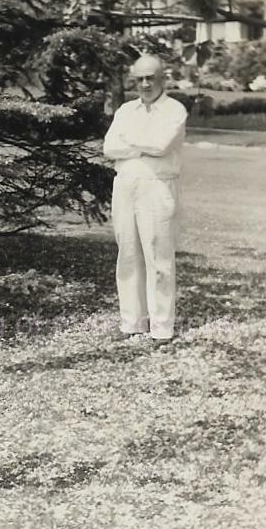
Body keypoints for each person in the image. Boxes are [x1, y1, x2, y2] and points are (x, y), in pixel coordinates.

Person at [103, 54, 187, 345]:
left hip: (158, 187)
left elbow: (161, 145)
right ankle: (132, 322)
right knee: (127, 254)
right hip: (125, 186)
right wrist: (141, 144)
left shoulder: (175, 110)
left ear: (163, 77)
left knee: (159, 257)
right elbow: (109, 147)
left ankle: (162, 327)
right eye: (139, 78)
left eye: (151, 77)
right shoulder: (126, 110)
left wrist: (131, 142)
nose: (145, 83)